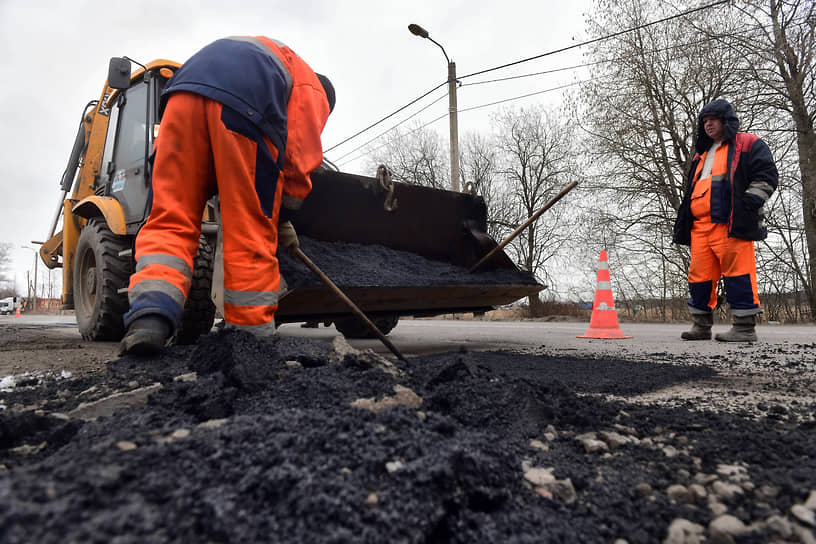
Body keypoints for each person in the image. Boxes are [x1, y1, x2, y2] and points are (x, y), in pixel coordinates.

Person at [120, 36, 335, 354]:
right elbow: (297, 158)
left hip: (180, 98)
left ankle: (149, 319)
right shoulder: (313, 89)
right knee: (249, 231)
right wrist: (281, 217)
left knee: (169, 219)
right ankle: (250, 343)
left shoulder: (273, 55)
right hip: (243, 105)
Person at [673, 99, 777, 342]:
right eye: (705, 121)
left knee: (738, 274)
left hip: (730, 225)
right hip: (700, 227)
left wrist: (749, 203)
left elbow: (767, 175)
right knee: (699, 277)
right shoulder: (702, 154)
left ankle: (744, 328)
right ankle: (700, 326)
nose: (708, 125)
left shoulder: (748, 143)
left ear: (725, 120)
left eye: (713, 120)